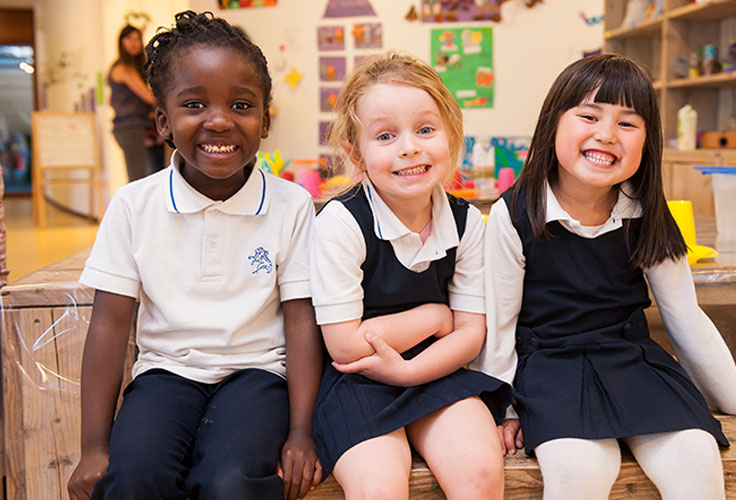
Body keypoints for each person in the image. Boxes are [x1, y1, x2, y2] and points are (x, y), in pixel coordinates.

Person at [475, 53, 736, 499]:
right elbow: (498, 324)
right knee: (580, 472)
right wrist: (502, 407)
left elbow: (684, 315)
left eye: (628, 124)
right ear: (552, 124)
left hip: (634, 363)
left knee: (696, 459)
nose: (606, 134)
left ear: (648, 142)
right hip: (550, 369)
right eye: (589, 115)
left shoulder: (647, 212)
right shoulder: (514, 212)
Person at [67, 11, 323, 500]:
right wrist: (94, 446)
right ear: (163, 121)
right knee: (133, 478)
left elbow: (300, 322)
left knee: (231, 484)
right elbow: (109, 326)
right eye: (194, 104)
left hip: (257, 377)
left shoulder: (292, 206)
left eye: (242, 104)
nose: (220, 119)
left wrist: (300, 432)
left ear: (266, 120)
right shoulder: (133, 205)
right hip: (164, 375)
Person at [310, 51, 512, 499]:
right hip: (357, 383)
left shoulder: (465, 223)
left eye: (425, 129)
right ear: (354, 152)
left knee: (481, 473)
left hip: (436, 372)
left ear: (451, 134)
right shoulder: (341, 223)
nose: (410, 147)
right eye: (385, 135)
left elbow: (471, 335)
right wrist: (437, 317)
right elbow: (345, 346)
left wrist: (409, 369)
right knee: (378, 486)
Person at [108, 24, 163, 182]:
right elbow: (149, 97)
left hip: (134, 127)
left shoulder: (128, 67)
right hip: (130, 127)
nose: (134, 43)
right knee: (138, 178)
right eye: (129, 38)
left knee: (145, 176)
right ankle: (136, 208)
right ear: (121, 42)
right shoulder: (124, 68)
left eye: (137, 39)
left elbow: (110, 102)